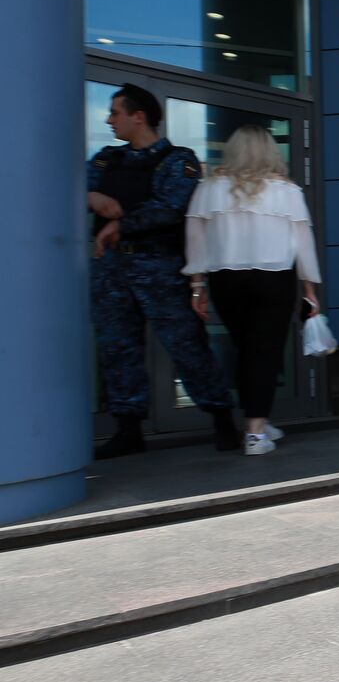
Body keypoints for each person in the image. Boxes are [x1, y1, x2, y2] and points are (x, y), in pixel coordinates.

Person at [88, 83, 239, 458]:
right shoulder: (106, 160)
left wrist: (122, 223)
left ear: (138, 116)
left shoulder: (178, 160)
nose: (109, 120)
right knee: (118, 350)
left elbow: (172, 206)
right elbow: (72, 185)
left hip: (160, 268)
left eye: (115, 113)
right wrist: (92, 196)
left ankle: (222, 419)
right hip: (112, 271)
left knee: (187, 347)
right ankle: (128, 429)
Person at [184, 126, 323, 455]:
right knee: (264, 351)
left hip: (226, 279)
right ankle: (256, 431)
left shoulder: (210, 187)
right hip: (273, 277)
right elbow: (303, 243)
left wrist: (196, 285)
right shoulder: (286, 191)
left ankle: (257, 421)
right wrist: (310, 290)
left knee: (246, 349)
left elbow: (195, 238)